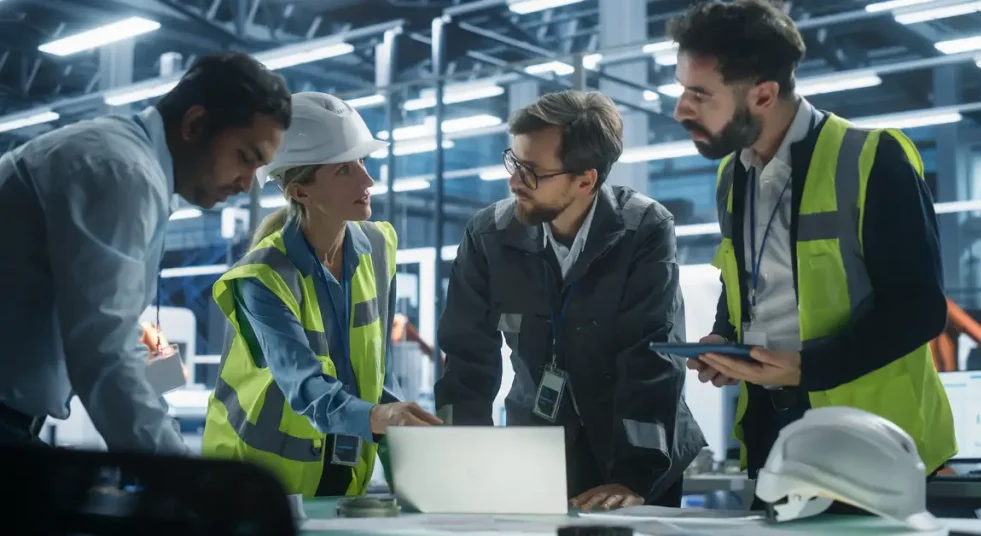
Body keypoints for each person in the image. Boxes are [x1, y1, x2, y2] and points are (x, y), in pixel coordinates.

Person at [666, 0, 956, 505]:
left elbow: (920, 309)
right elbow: (745, 276)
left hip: (873, 447)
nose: (680, 109)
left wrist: (807, 366)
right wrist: (725, 337)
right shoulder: (732, 175)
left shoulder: (873, 159)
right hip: (771, 435)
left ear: (762, 94)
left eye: (699, 94)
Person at [0, 51, 291, 453]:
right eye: (245, 157)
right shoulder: (121, 172)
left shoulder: (127, 162)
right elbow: (104, 352)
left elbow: (112, 338)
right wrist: (180, 477)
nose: (246, 185)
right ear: (195, 124)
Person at [434, 90, 706, 510]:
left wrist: (634, 477)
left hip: (638, 454)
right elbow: (467, 356)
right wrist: (463, 460)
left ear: (585, 180)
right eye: (514, 162)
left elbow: (651, 355)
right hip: (540, 451)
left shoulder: (644, 230)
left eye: (532, 172)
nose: (513, 182)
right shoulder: (488, 236)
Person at [201, 92, 442, 498]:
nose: (367, 181)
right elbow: (306, 389)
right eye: (344, 170)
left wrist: (410, 468)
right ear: (300, 192)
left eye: (363, 162)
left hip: (343, 476)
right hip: (258, 484)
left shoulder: (379, 247)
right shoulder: (261, 277)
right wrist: (384, 417)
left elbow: (377, 373)